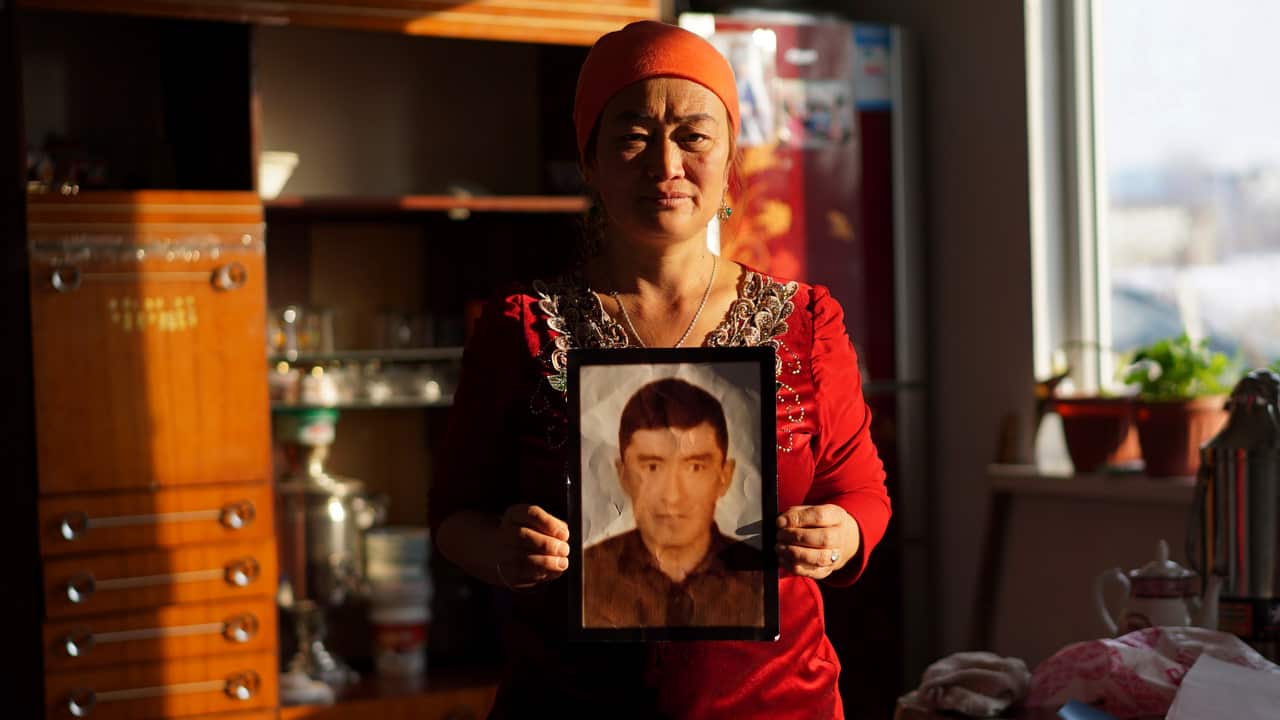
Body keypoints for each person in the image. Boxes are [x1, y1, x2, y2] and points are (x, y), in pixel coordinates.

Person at [430, 19, 891, 719]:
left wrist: (839, 534)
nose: (666, 164)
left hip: (777, 706)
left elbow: (863, 493)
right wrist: (503, 549)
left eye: (694, 135)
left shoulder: (806, 322)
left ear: (731, 154)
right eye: (634, 134)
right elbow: (450, 516)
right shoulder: (522, 326)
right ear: (589, 158)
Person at [583, 377, 763, 628]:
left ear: (725, 476)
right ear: (623, 475)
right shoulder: (585, 576)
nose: (672, 496)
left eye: (695, 467)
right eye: (652, 467)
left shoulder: (762, 582)